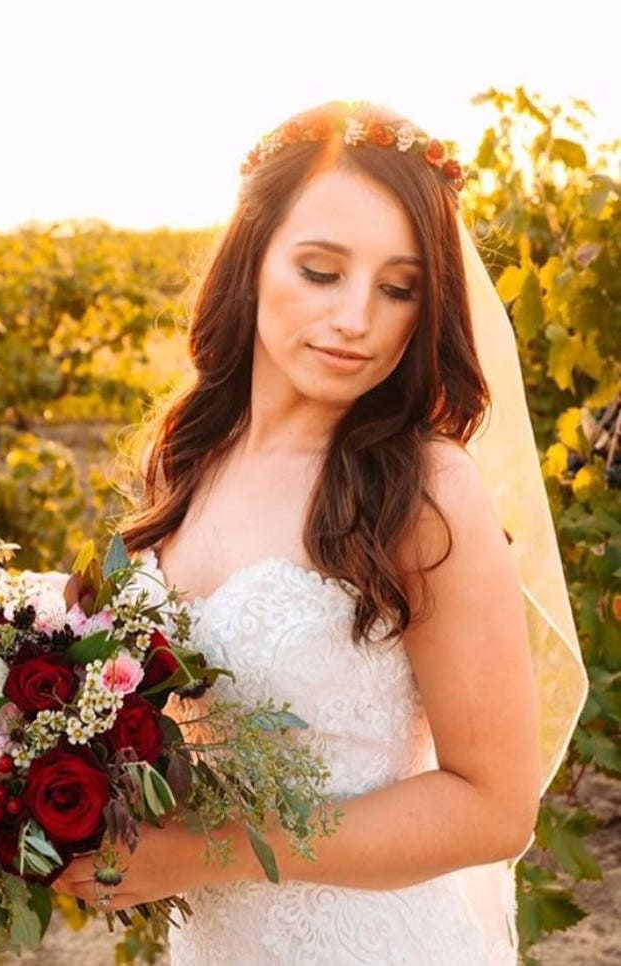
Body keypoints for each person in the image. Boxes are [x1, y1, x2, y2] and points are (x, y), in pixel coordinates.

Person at [51, 99, 589, 965]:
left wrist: (200, 854)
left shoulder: (422, 490)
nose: (356, 319)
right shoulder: (188, 457)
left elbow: (495, 806)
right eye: (320, 271)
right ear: (253, 260)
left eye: (398, 288)